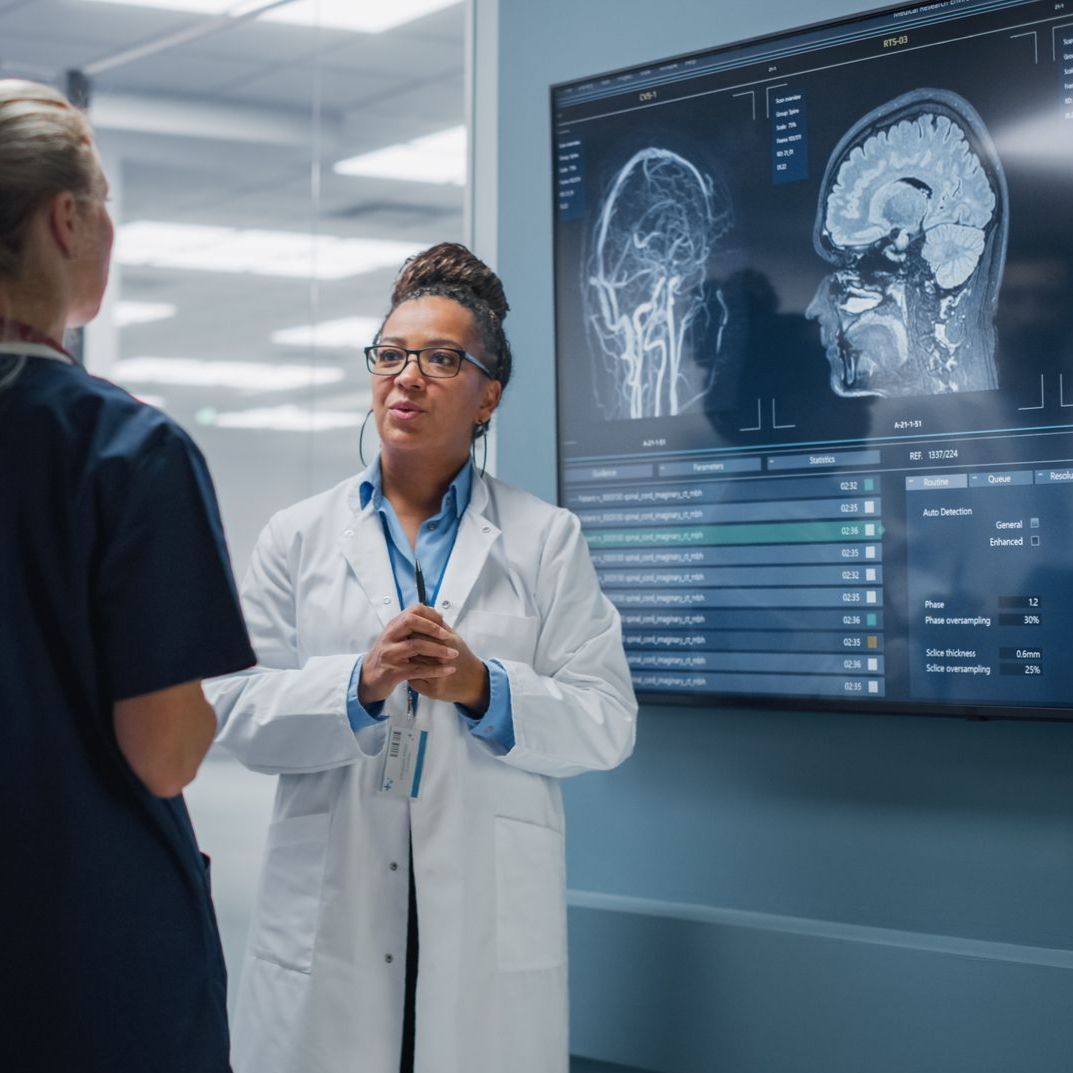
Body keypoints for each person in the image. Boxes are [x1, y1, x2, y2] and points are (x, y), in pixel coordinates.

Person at [207, 242, 637, 1073]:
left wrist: (485, 689)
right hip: (332, 914)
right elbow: (231, 707)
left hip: (481, 925)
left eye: (442, 359)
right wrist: (358, 686)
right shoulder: (296, 537)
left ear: (488, 396)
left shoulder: (546, 539)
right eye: (391, 355)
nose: (407, 377)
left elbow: (607, 719)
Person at [0, 80, 256, 1072]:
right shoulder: (126, 450)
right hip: (87, 970)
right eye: (102, 202)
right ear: (66, 219)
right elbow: (163, 750)